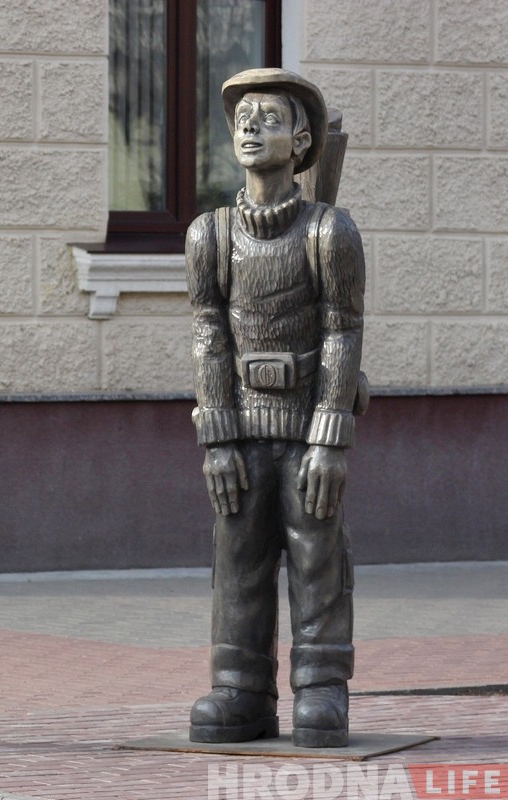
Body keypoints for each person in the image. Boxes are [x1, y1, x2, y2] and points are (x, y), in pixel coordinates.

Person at [184, 69, 365, 748]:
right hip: (242, 425)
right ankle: (239, 687)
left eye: (269, 117)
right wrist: (218, 436)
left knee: (317, 552)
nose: (251, 127)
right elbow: (209, 335)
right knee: (238, 553)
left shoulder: (329, 233)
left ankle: (321, 687)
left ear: (303, 140)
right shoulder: (210, 235)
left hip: (307, 424)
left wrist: (329, 436)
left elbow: (343, 332)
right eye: (242, 119)